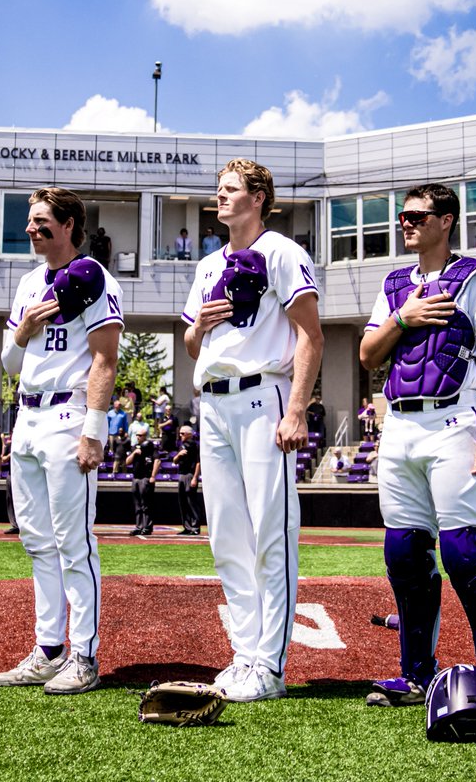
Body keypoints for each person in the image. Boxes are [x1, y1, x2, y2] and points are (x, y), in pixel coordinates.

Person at [358, 182, 476, 712]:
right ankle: (415, 676)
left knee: (464, 553)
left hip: (455, 420)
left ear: (445, 220)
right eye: (402, 217)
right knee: (404, 553)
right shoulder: (393, 285)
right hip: (399, 427)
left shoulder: (474, 277)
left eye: (416, 216)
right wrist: (401, 318)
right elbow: (367, 355)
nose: (405, 224)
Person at [182, 158, 323, 703]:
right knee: (226, 537)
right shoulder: (207, 265)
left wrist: (297, 410)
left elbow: (310, 335)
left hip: (265, 397)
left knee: (271, 533)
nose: (220, 196)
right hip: (212, 403)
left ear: (259, 197)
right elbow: (194, 345)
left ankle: (270, 664)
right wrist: (200, 326)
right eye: (218, 189)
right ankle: (244, 654)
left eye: (231, 189)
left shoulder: (283, 252)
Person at [0, 186, 123, 697]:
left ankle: (84, 655)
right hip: (27, 415)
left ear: (69, 224)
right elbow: (8, 362)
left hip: (69, 415)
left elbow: (105, 360)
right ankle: (48, 650)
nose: (32, 229)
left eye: (42, 221)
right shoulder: (27, 283)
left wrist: (94, 431)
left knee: (74, 544)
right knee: (37, 542)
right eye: (30, 221)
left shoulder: (97, 279)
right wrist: (22, 330)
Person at [126, 428, 160, 535]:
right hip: (136, 478)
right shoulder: (134, 447)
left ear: (145, 436)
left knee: (146, 504)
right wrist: (134, 453)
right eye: (137, 435)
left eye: (140, 435)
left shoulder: (150, 447)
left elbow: (157, 460)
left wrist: (153, 476)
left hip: (145, 477)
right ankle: (139, 526)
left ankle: (147, 527)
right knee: (137, 504)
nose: (138, 437)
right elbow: (127, 462)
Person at [172, 425, 202, 535]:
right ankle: (187, 526)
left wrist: (195, 477)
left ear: (189, 434)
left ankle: (195, 527)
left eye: (182, 433)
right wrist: (179, 455)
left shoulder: (195, 446)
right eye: (180, 433)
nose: (180, 435)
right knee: (183, 502)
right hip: (181, 474)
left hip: (190, 475)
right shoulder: (181, 446)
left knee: (191, 501)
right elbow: (174, 461)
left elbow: (198, 462)